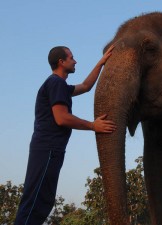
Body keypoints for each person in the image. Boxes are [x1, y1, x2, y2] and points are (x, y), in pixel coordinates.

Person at [14, 45, 116, 225]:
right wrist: (93, 126)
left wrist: (101, 63)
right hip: (47, 149)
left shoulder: (60, 86)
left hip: (51, 150)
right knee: (36, 203)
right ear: (61, 62)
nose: (75, 61)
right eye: (71, 57)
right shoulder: (55, 83)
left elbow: (85, 86)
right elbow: (61, 118)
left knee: (43, 200)